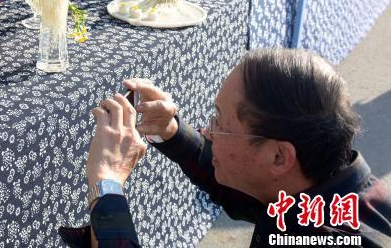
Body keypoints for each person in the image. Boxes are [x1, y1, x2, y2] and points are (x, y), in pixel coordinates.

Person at [58, 48, 391, 247]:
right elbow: (242, 186)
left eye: (220, 122)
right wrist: (169, 132)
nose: (208, 132)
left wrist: (107, 182)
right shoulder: (312, 187)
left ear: (279, 156)